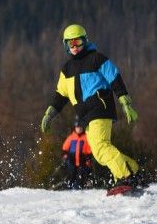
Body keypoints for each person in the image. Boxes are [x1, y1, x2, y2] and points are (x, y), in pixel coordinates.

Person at [41, 24, 143, 194]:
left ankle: (124, 177)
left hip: (100, 106)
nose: (75, 47)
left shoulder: (96, 59)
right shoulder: (66, 69)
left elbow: (114, 77)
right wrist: (50, 113)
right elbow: (61, 95)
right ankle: (134, 171)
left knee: (101, 147)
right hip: (85, 115)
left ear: (85, 41)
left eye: (78, 42)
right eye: (70, 44)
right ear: (65, 45)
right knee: (98, 151)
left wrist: (124, 100)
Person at [61, 120, 93, 189]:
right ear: (75, 128)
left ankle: (80, 187)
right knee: (71, 174)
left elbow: (89, 149)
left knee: (81, 174)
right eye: (78, 128)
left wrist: (88, 158)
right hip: (72, 159)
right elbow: (65, 147)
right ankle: (69, 187)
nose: (79, 129)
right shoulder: (71, 137)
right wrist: (65, 155)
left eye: (80, 128)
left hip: (83, 160)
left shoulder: (86, 137)